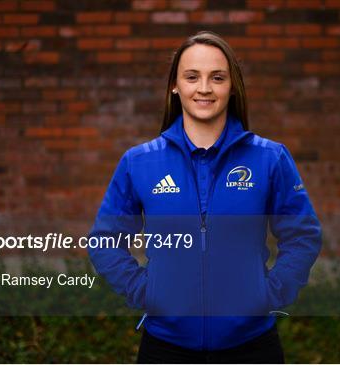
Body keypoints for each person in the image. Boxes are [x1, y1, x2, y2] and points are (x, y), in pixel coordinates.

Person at [87, 30, 322, 363]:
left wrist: (269, 293)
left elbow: (303, 235)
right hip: (165, 347)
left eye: (217, 77)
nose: (204, 88)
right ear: (175, 85)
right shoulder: (139, 162)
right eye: (192, 76)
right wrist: (145, 291)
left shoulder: (270, 158)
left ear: (232, 86)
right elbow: (104, 241)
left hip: (252, 346)